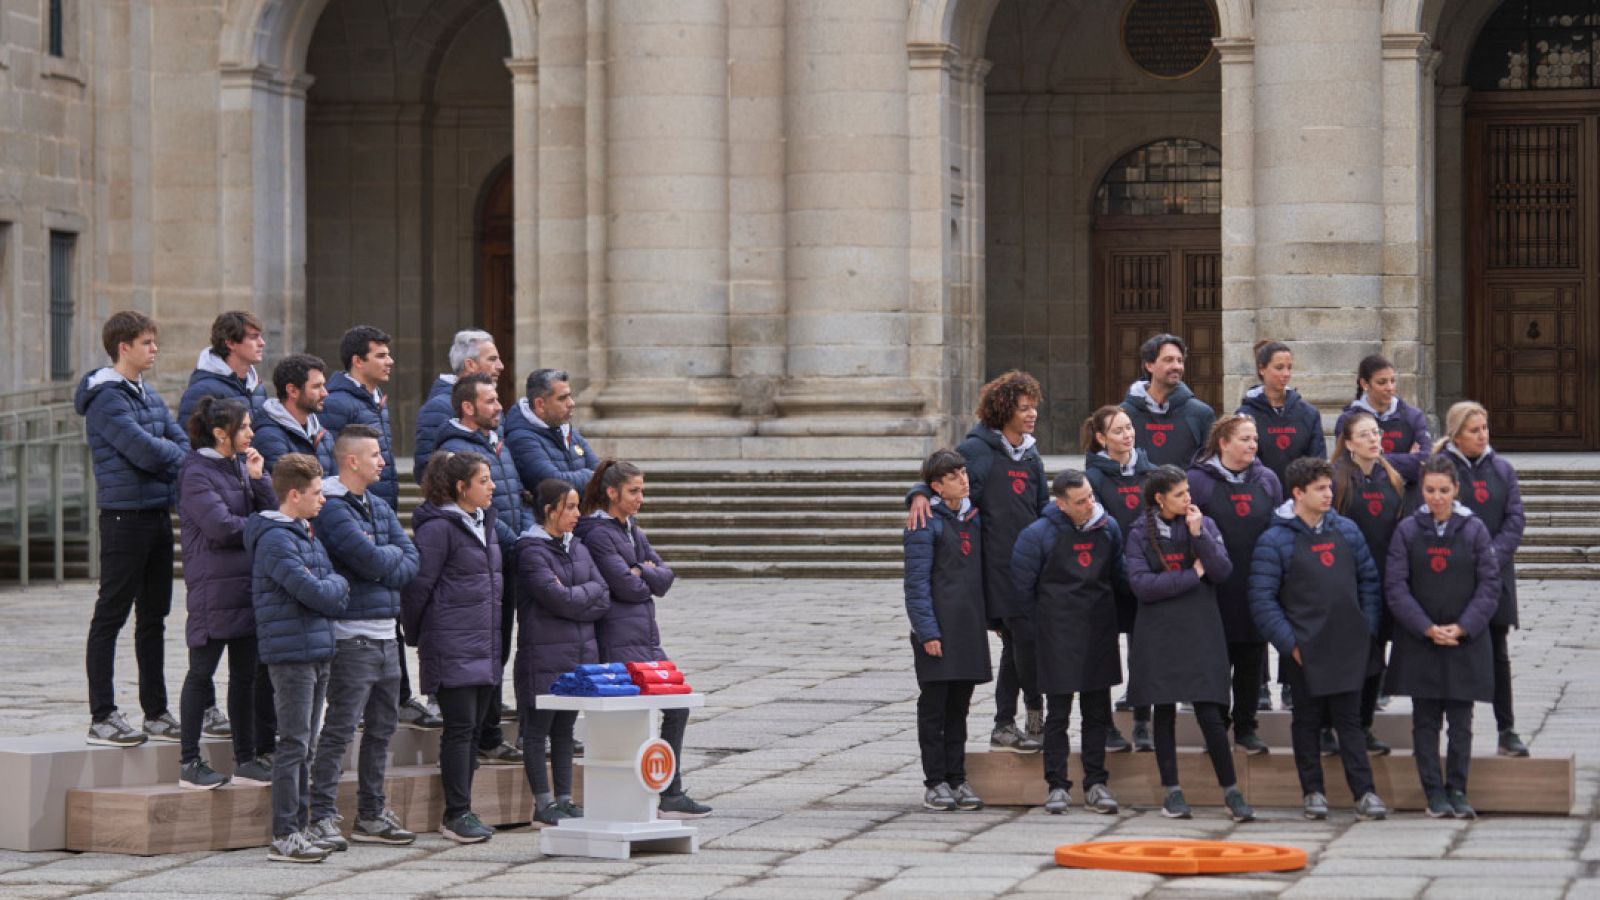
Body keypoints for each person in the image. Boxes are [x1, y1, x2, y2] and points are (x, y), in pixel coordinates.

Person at [906, 371, 1048, 753]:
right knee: (1022, 640)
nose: (1032, 414)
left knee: (1023, 643)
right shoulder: (978, 450)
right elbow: (941, 472)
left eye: (1034, 406)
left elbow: (1041, 507)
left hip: (1030, 568)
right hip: (995, 569)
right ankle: (1020, 716)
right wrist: (919, 492)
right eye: (1024, 408)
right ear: (1004, 411)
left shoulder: (1031, 454)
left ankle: (1018, 718)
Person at [1248, 457, 1389, 822]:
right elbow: (1262, 600)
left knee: (1351, 722)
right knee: (1307, 722)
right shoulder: (1274, 540)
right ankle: (1312, 793)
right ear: (1298, 493)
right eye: (1321, 489)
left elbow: (1369, 582)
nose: (1329, 494)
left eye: (1330, 487)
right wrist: (1290, 644)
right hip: (1303, 649)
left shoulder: (1348, 531)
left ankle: (1366, 793)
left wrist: (1366, 629)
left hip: (1348, 645)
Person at [306, 425, 423, 850]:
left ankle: (372, 813)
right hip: (352, 636)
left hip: (386, 634)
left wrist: (384, 559)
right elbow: (371, 559)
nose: (383, 462)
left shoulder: (376, 504)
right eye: (375, 455)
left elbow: (411, 560)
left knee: (382, 728)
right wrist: (385, 558)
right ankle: (320, 813)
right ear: (351, 460)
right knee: (339, 728)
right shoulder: (333, 508)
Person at [76, 311, 189, 747]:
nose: (154, 349)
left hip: (157, 513)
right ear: (123, 347)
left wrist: (166, 455)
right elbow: (143, 451)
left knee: (154, 617)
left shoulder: (148, 395)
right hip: (124, 517)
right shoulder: (107, 398)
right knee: (111, 615)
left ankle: (155, 711)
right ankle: (102, 715)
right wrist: (167, 455)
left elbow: (179, 443)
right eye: (146, 342)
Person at [576, 459, 714, 819]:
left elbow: (665, 577)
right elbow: (627, 586)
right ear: (612, 492)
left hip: (645, 636)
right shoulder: (598, 533)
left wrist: (644, 571)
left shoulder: (631, 529)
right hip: (619, 637)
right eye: (634, 491)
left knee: (677, 705)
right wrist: (643, 573)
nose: (641, 498)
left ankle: (669, 789)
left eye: (642, 490)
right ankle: (654, 790)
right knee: (638, 714)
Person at [1123, 465, 1253, 822]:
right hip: (1159, 633)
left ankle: (1231, 792)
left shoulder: (1204, 524)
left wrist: (1200, 537)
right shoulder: (1138, 533)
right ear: (1159, 498)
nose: (1188, 499)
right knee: (1163, 712)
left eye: (1188, 492)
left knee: (1210, 713)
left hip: (1201, 629)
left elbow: (1223, 571)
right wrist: (1192, 575)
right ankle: (1172, 792)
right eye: (1180, 494)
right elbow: (1142, 586)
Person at [245, 453, 349, 864]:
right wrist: (332, 586)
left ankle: (302, 827)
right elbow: (320, 592)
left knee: (307, 745)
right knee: (293, 744)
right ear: (293, 494)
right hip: (292, 654)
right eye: (316, 493)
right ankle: (285, 833)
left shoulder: (306, 532)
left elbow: (336, 581)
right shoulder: (275, 539)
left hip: (317, 647)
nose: (323, 499)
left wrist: (332, 585)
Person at [1385, 455, 1502, 819]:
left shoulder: (1474, 530)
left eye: (1444, 490)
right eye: (1430, 490)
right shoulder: (1407, 530)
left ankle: (1458, 789)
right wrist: (1425, 627)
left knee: (1461, 722)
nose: (1437, 497)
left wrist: (1463, 626)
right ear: (1422, 490)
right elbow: (1396, 585)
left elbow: (1489, 584)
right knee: (1425, 721)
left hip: (1463, 640)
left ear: (1456, 490)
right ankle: (1433, 792)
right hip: (1421, 640)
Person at [1011, 469, 1131, 815]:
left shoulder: (1108, 528)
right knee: (1058, 716)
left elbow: (1118, 576)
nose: (1090, 504)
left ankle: (1096, 783)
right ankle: (1057, 785)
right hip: (1056, 635)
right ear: (1061, 504)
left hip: (1098, 632)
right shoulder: (1037, 536)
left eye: (1091, 496)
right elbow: (1021, 592)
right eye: (1081, 501)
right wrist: (1037, 635)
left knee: (1097, 715)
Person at [401, 451, 504, 844]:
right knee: (459, 730)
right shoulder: (438, 528)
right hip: (451, 642)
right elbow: (418, 588)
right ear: (462, 488)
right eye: (484, 480)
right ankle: (455, 813)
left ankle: (466, 809)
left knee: (474, 729)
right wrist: (418, 636)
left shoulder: (484, 522)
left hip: (483, 643)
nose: (492, 486)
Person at [174, 397, 276, 791]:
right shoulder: (197, 473)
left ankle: (246, 758)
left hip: (245, 586)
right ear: (221, 434)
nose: (252, 434)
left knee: (245, 677)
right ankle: (189, 761)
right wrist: (260, 524)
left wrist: (258, 479)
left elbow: (271, 513)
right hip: (213, 588)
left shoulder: (238, 465)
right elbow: (222, 528)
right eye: (245, 427)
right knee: (202, 674)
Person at [433, 373, 530, 766]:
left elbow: (512, 493)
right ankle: (482, 734)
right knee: (485, 651)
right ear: (468, 407)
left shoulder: (496, 441)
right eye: (490, 401)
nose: (499, 406)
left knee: (498, 647)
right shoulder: (458, 451)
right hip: (485, 555)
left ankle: (488, 730)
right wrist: (518, 542)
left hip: (501, 558)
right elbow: (484, 510)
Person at [1435, 401, 1528, 758]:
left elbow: (1514, 519)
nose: (1482, 435)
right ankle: (1457, 731)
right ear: (1456, 434)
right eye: (1474, 430)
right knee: (1456, 655)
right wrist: (1463, 559)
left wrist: (1490, 557)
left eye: (1484, 428)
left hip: (1494, 577)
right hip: (1453, 576)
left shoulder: (1502, 470)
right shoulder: (1442, 469)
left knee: (1497, 653)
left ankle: (1507, 728)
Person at [515, 479, 610, 826]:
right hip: (542, 655)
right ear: (548, 510)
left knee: (565, 731)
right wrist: (580, 597)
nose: (576, 514)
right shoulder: (530, 550)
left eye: (577, 506)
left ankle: (566, 798)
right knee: (538, 731)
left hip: (577, 656)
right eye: (569, 507)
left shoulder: (579, 546)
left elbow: (604, 593)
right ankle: (543, 803)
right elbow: (555, 598)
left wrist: (574, 596)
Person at [1186, 415, 1282, 756]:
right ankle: (1216, 730)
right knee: (1214, 663)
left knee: (1250, 660)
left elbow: (1277, 532)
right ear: (1223, 443)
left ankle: (1246, 727)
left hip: (1254, 584)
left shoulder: (1268, 480)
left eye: (1255, 439)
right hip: (1213, 588)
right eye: (1245, 439)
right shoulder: (1198, 481)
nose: (1253, 445)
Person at [902, 449, 991, 812]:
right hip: (938, 629)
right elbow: (916, 583)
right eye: (953, 477)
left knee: (961, 708)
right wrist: (928, 632)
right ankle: (935, 780)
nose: (963, 480)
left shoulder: (973, 515)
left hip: (968, 627)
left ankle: (957, 777)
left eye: (963, 473)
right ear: (937, 486)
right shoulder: (924, 522)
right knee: (935, 708)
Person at [1332, 410, 1408, 754]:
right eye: (1365, 435)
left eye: (1376, 433)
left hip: (1384, 581)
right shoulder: (1337, 479)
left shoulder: (1390, 477)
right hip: (1348, 582)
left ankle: (1364, 725)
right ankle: (1329, 725)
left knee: (1375, 657)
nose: (1374, 439)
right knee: (1345, 658)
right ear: (1348, 443)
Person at [1082, 405, 1152, 752]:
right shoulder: (1093, 479)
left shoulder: (1149, 473)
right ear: (1101, 439)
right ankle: (1105, 725)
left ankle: (1142, 722)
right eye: (1118, 431)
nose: (1127, 435)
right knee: (1103, 653)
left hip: (1142, 576)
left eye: (1129, 428)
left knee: (1143, 652)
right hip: (1105, 577)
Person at [319, 325, 399, 510]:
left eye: (388, 354)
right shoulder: (336, 402)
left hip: (380, 506)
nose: (390, 361)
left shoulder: (377, 399)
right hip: (353, 508)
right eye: (381, 356)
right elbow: (328, 461)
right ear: (358, 361)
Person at [413, 329, 505, 481]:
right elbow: (427, 471)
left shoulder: (495, 407)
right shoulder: (438, 408)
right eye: (492, 359)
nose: (500, 366)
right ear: (470, 364)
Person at [1236, 341, 1325, 490]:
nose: (1286, 374)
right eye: (1279, 368)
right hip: (1260, 494)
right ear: (1262, 369)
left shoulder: (1309, 413)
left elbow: (1317, 460)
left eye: (1289, 368)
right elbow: (1242, 461)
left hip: (1300, 497)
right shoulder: (1245, 415)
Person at [1120, 333, 1216, 470]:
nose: (1177, 366)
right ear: (1149, 365)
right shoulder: (1124, 414)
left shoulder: (1201, 414)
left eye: (1180, 360)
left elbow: (1211, 466)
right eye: (1169, 360)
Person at [1333, 354, 1430, 485]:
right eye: (1382, 382)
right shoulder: (1348, 419)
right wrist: (1408, 459)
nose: (1390, 387)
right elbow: (1348, 465)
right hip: (1363, 494)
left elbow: (1426, 461)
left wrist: (1372, 458)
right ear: (1364, 384)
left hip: (1408, 499)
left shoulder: (1413, 416)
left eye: (1392, 381)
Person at [505, 368, 596, 491]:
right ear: (540, 404)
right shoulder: (521, 438)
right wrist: (591, 476)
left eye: (570, 396)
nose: (571, 403)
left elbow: (603, 473)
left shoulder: (567, 430)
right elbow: (554, 483)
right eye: (562, 398)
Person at [177, 310, 268, 428]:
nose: (262, 343)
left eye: (260, 336)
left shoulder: (257, 388)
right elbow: (190, 440)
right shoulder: (202, 391)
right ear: (230, 343)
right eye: (253, 337)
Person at [253, 353, 336, 476]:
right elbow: (291, 489)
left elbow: (338, 484)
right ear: (292, 390)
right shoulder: (269, 436)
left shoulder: (323, 435)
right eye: (316, 387)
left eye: (323, 385)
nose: (325, 393)